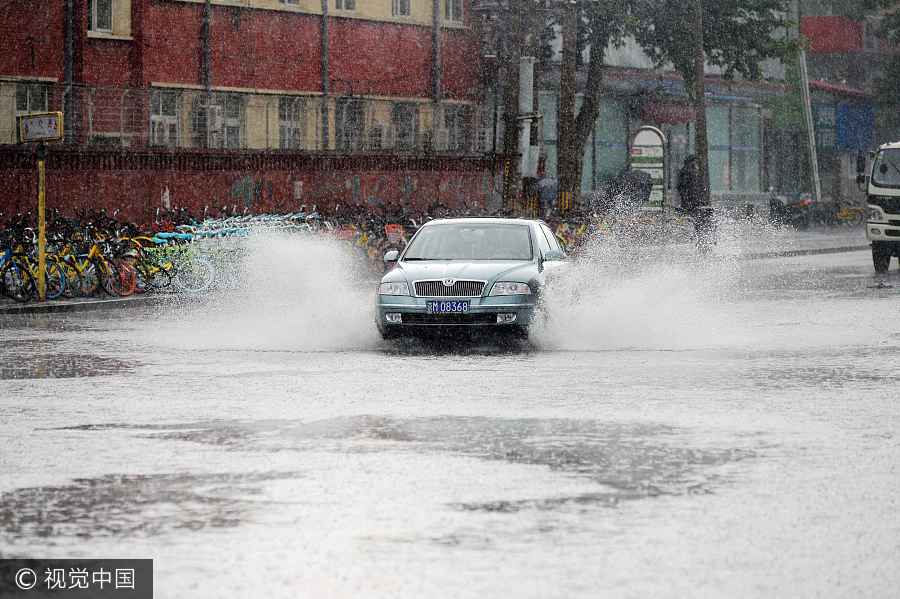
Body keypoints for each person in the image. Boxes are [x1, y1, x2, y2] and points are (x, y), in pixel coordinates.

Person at [677, 155, 715, 252]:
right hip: (693, 203)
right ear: (691, 162)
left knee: (701, 220)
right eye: (695, 162)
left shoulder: (689, 172)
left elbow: (686, 189)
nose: (696, 165)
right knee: (702, 220)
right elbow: (686, 189)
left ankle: (703, 240)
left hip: (694, 202)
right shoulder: (688, 172)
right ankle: (703, 241)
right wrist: (690, 202)